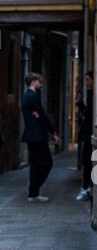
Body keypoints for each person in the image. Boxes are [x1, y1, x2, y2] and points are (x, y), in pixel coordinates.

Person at [22, 72, 59, 202]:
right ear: (33, 82)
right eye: (39, 82)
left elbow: (40, 114)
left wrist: (38, 115)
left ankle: (33, 193)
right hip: (37, 136)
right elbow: (43, 115)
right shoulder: (33, 97)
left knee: (35, 164)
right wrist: (53, 132)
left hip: (31, 136)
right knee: (47, 163)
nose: (41, 84)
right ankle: (34, 189)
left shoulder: (27, 96)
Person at [76, 71, 93, 201]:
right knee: (86, 162)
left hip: (89, 135)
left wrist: (80, 104)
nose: (86, 82)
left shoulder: (93, 95)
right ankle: (86, 187)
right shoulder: (90, 94)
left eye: (87, 79)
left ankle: (86, 188)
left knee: (87, 162)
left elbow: (89, 115)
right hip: (87, 135)